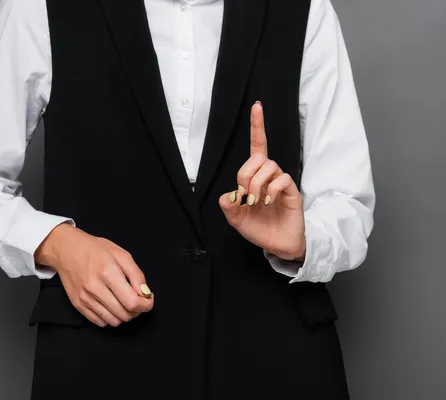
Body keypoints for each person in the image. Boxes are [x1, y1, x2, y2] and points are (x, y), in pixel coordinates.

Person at [0, 0, 375, 398]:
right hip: (99, 361)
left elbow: (346, 201)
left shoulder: (305, 9)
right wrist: (57, 244)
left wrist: (303, 240)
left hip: (277, 361)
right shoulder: (37, 7)